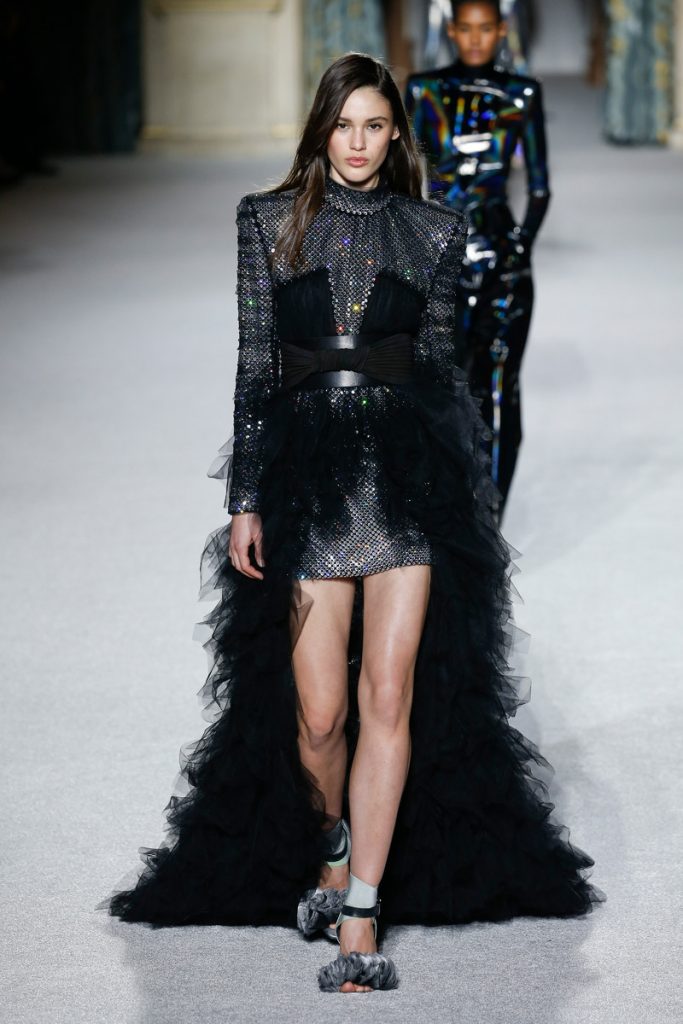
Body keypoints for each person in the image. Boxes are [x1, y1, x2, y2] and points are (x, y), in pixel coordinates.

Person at [103, 52, 601, 994]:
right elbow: (256, 366)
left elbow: (443, 372)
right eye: (344, 126)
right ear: (321, 129)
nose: (359, 144)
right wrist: (244, 497)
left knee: (387, 697)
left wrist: (464, 499)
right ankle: (332, 844)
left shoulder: (433, 230)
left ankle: (361, 912)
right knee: (320, 718)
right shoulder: (268, 222)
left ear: (396, 133)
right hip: (310, 483)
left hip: (406, 484)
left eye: (375, 126)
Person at [406, 0, 550, 516]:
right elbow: (408, 178)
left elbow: (539, 187)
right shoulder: (423, 90)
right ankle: (449, 506)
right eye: (465, 28)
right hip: (438, 261)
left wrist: (519, 245)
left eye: (484, 28)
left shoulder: (522, 93)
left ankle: (490, 515)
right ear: (451, 30)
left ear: (501, 30)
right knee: (439, 385)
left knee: (500, 386)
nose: (474, 38)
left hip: (501, 261)